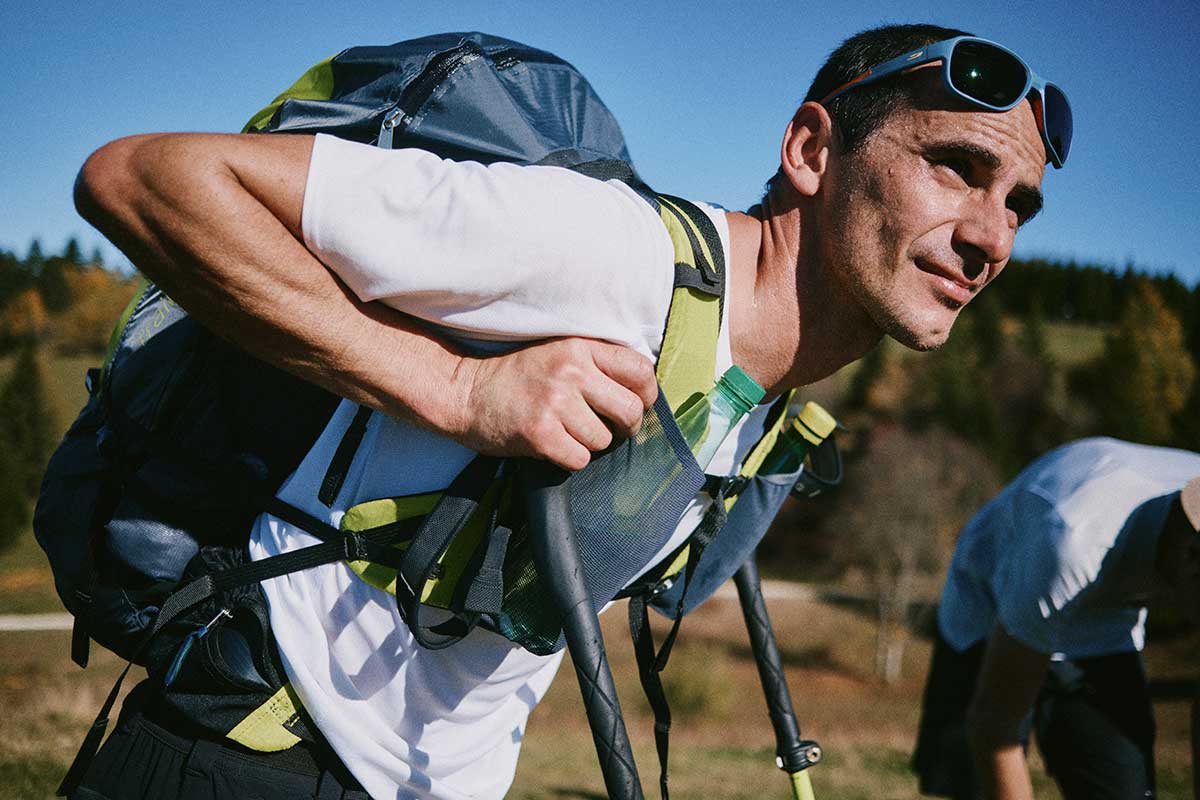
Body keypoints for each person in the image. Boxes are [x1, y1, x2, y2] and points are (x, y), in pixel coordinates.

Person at [70, 23, 1066, 800]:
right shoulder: (609, 252)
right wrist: (455, 389)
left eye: (1019, 203)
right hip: (245, 758)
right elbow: (144, 178)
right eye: (956, 167)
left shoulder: (758, 393)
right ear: (811, 149)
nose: (992, 237)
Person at [913, 438, 1200, 800]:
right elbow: (995, 727)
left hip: (1102, 625)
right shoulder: (1074, 538)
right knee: (976, 782)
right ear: (1191, 557)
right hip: (992, 606)